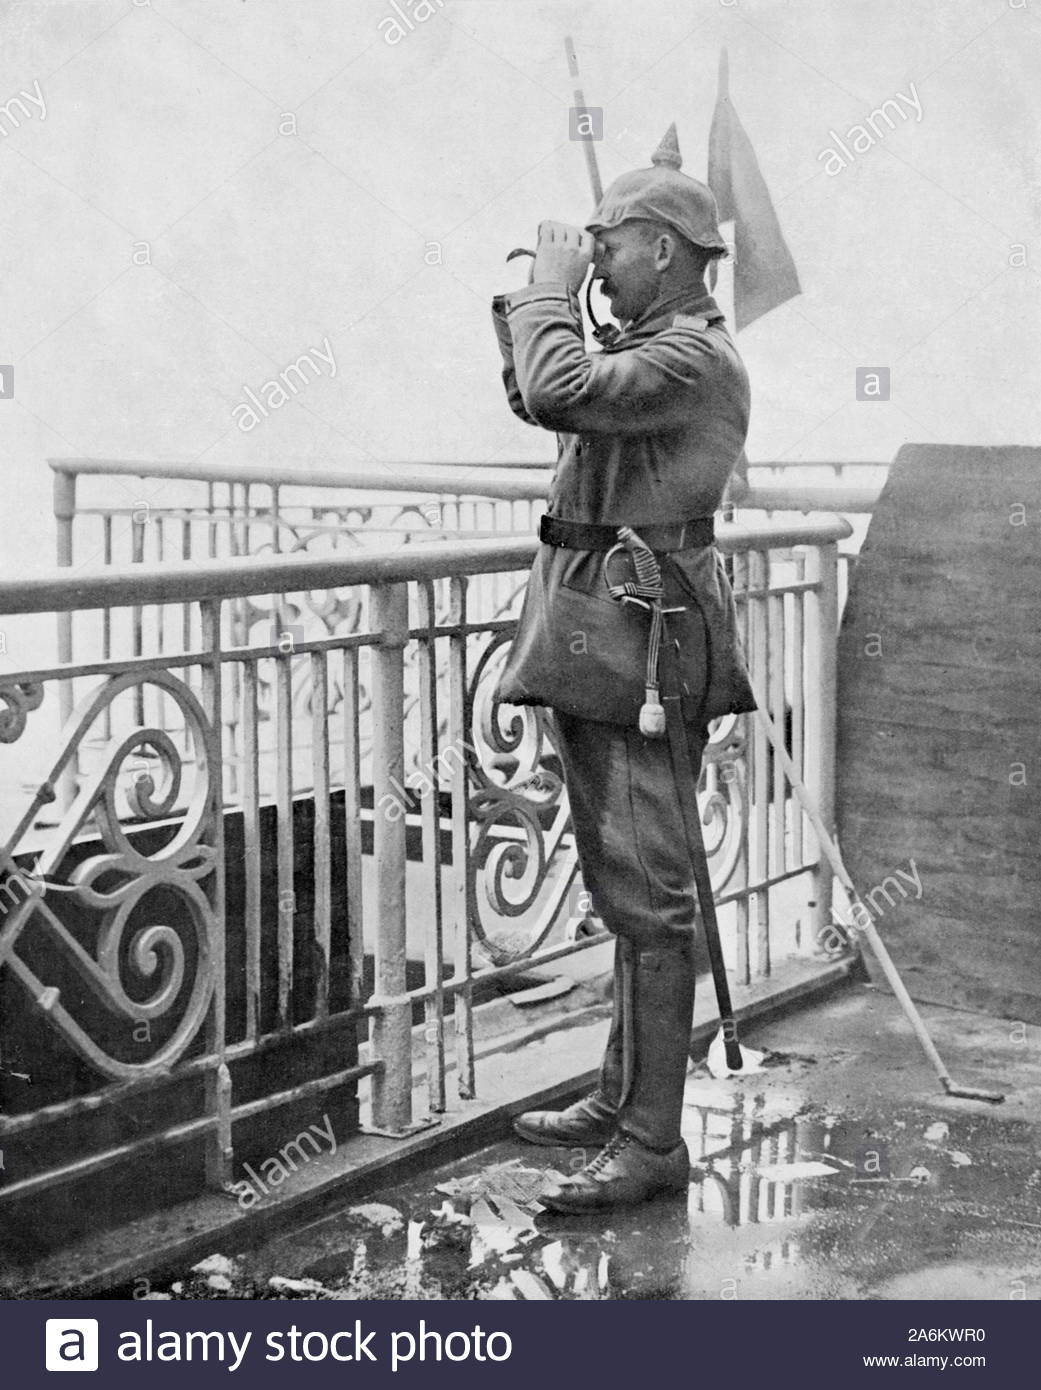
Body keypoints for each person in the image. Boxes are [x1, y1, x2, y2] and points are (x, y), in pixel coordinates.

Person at [489, 126, 756, 1213]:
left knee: (651, 900)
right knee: (627, 889)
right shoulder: (642, 357)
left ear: (664, 249)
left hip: (645, 650)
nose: (595, 260)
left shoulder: (692, 358)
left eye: (608, 244)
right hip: (602, 646)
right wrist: (535, 307)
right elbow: (539, 393)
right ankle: (620, 1099)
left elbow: (557, 388)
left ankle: (652, 1144)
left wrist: (551, 290)